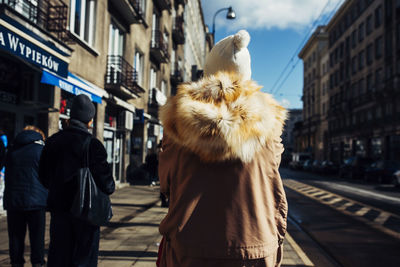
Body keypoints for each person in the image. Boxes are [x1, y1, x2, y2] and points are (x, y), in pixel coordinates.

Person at [157, 30, 288, 267]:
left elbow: (166, 183)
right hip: (255, 247)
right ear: (247, 77)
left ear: (207, 72)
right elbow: (272, 177)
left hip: (190, 248)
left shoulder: (178, 121)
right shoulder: (269, 124)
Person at [39, 94, 115, 267]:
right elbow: (108, 185)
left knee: (59, 257)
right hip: (86, 213)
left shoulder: (52, 142)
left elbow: (43, 177)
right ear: (90, 120)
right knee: (84, 259)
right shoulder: (93, 145)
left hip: (59, 211)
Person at [3, 126, 47, 267]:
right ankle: (37, 263)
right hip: (37, 201)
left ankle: (16, 263)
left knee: (15, 239)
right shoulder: (41, 151)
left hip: (14, 201)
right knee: (37, 240)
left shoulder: (12, 151)